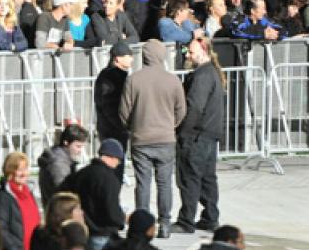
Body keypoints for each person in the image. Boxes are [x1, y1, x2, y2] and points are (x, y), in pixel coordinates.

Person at [119, 39, 187, 238]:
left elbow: (124, 111)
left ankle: (142, 224)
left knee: (143, 183)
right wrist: (170, 125)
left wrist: (134, 126)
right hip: (166, 138)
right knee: (165, 183)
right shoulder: (173, 80)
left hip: (141, 138)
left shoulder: (133, 80)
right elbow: (181, 110)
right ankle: (165, 223)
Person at [173, 36, 226, 234]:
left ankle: (186, 220)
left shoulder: (202, 76)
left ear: (203, 52)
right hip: (208, 135)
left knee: (190, 178)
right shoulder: (210, 73)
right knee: (206, 178)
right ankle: (210, 218)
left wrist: (182, 131)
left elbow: (194, 107)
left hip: (196, 135)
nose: (188, 54)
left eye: (192, 51)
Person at [59, 138, 127, 250]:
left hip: (81, 232)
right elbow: (111, 210)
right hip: (102, 234)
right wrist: (122, 220)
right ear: (112, 157)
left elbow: (62, 195)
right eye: (118, 160)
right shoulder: (109, 179)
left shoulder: (81, 174)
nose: (118, 164)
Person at [0, 151, 40, 250]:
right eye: (19, 170)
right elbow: (0, 228)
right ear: (10, 171)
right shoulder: (2, 196)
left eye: (26, 169)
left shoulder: (28, 192)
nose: (24, 173)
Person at [94, 42, 134, 181]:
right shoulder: (109, 77)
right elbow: (107, 104)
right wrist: (122, 125)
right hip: (112, 130)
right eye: (128, 56)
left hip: (116, 128)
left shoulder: (120, 75)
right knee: (113, 170)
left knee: (117, 170)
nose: (131, 59)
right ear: (117, 58)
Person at [37, 123, 89, 205]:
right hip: (60, 210)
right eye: (78, 146)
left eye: (81, 147)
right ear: (66, 143)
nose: (80, 151)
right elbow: (64, 192)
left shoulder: (61, 160)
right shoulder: (58, 163)